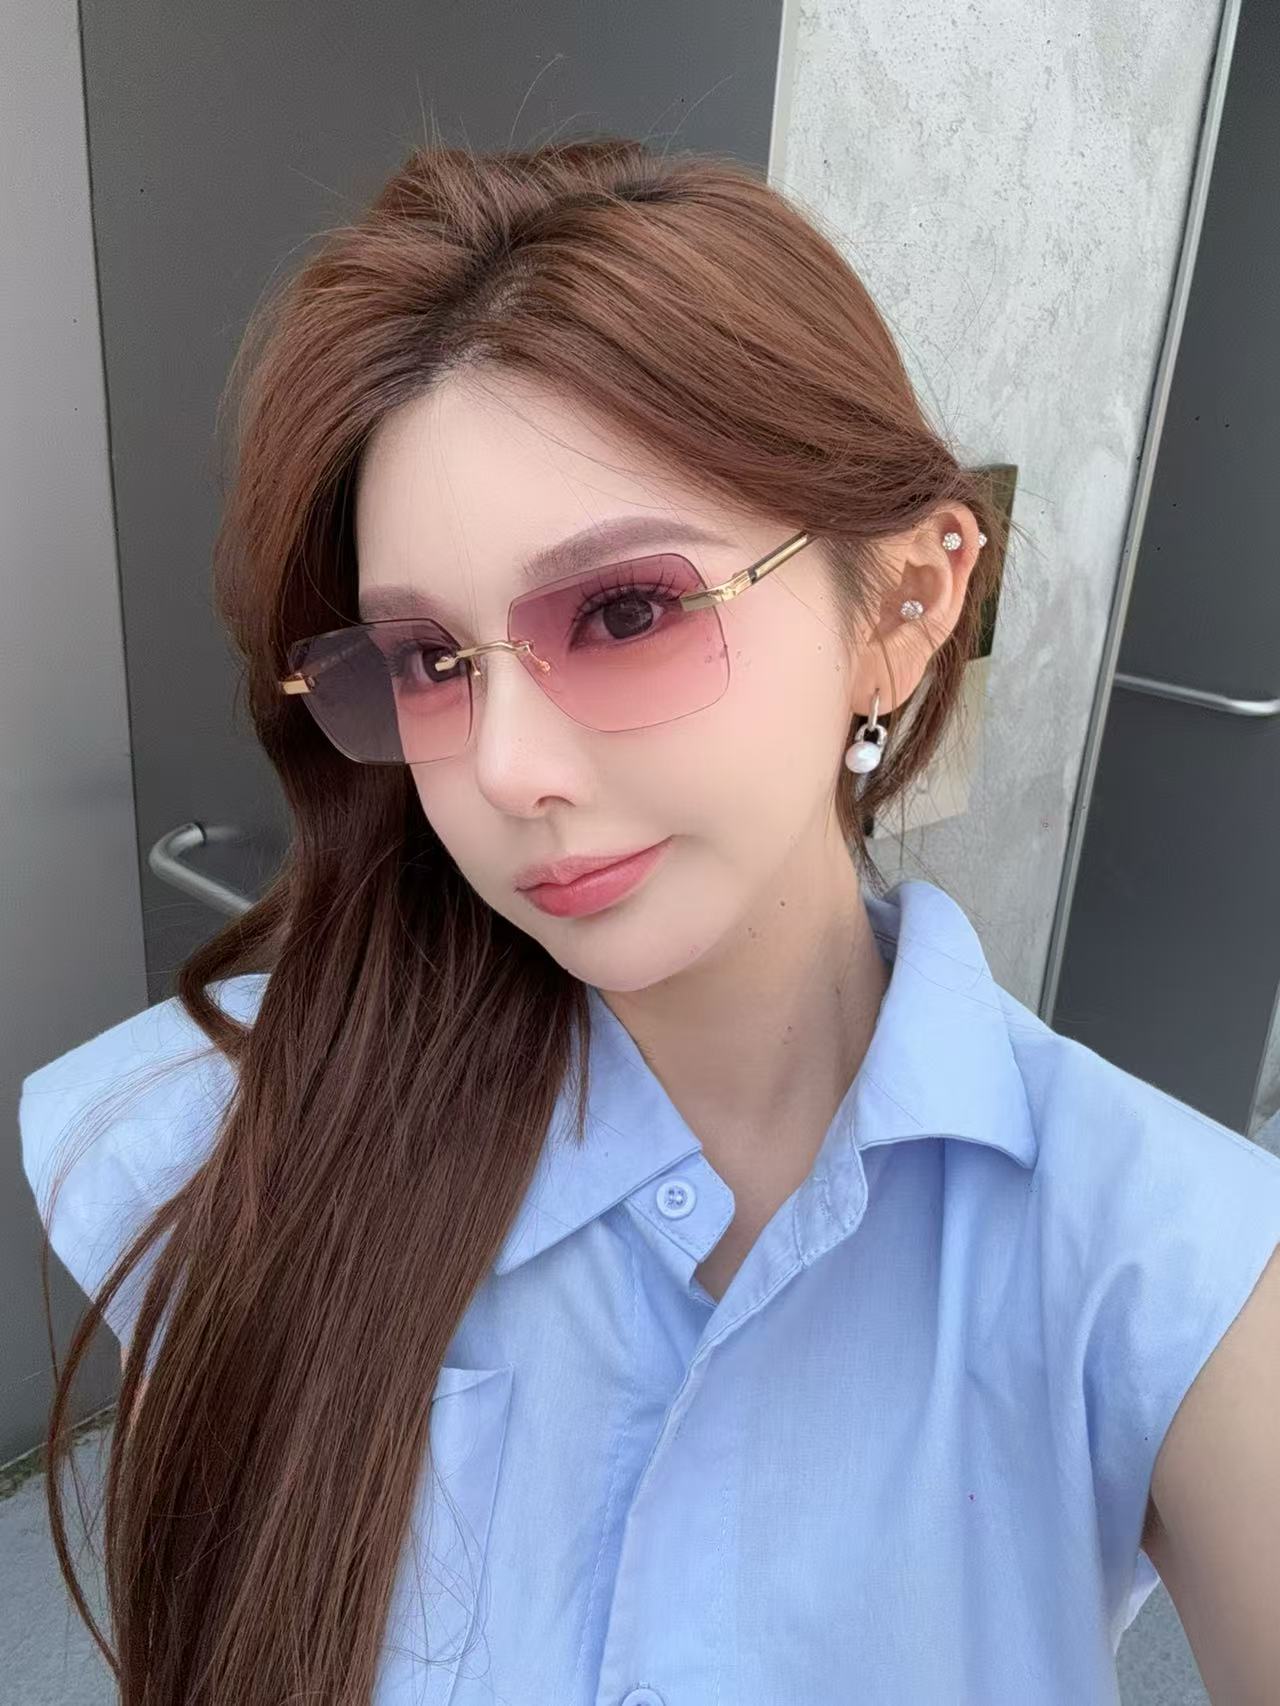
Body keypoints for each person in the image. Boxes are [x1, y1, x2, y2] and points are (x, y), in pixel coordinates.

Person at [18, 135, 1280, 1706]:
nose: (506, 769)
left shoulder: (1171, 1269)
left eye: (625, 612)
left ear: (902, 607)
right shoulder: (239, 1134)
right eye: (429, 660)